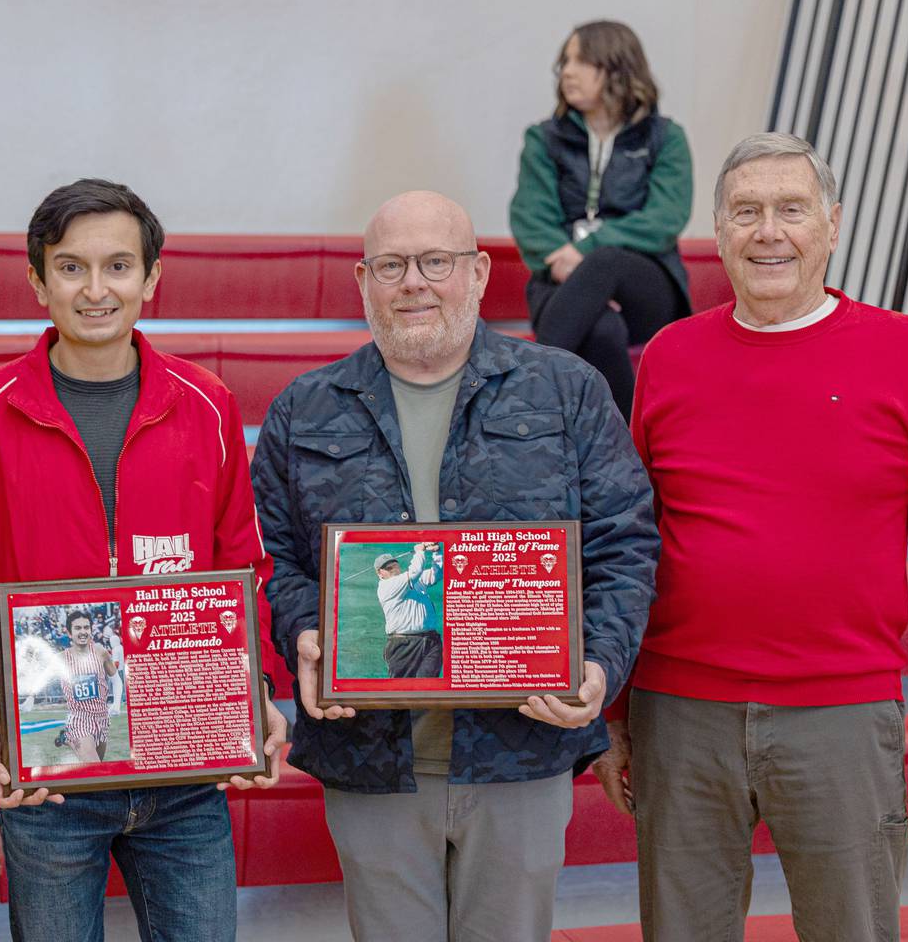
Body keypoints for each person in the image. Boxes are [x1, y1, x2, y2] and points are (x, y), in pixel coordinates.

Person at [594, 133, 908, 941]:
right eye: (746, 212)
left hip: (841, 717)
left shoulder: (906, 352)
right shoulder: (670, 357)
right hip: (682, 718)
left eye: (791, 210)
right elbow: (630, 542)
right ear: (719, 231)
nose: (768, 231)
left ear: (833, 226)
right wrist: (617, 711)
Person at [251, 190, 659, 941]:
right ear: (362, 281)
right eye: (391, 265)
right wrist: (307, 633)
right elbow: (274, 560)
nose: (414, 282)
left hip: (522, 750)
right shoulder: (304, 410)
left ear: (475, 274)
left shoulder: (565, 392)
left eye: (435, 262)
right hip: (369, 754)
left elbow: (624, 545)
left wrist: (598, 666)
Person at [0, 178, 288, 942]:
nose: (96, 290)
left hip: (186, 778)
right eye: (71, 267)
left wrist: (250, 692)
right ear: (36, 278)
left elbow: (243, 573)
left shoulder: (207, 403)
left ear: (151, 278)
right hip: (48, 779)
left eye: (119, 266)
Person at [509, 19, 692, 419]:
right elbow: (529, 217)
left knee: (606, 261)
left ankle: (520, 394)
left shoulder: (664, 137)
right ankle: (631, 451)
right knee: (603, 330)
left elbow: (665, 217)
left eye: (580, 61)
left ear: (614, 67)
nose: (566, 72)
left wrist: (587, 254)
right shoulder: (544, 139)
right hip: (556, 277)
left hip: (645, 286)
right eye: (565, 62)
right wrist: (575, 271)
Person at [57, 610, 117, 762]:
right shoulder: (61, 658)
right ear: (69, 633)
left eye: (86, 627)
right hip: (79, 719)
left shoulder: (100, 652)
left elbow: (114, 676)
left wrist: (116, 703)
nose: (83, 632)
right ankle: (70, 736)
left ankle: (66, 737)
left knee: (98, 762)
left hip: (102, 716)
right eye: (78, 628)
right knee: (95, 766)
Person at [375, 543, 442, 678]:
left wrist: (437, 553)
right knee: (402, 691)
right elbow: (415, 571)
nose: (392, 567)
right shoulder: (387, 586)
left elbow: (437, 574)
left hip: (431, 641)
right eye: (387, 567)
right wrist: (419, 551)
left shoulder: (412, 580)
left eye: (394, 564)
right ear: (380, 573)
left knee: (429, 688)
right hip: (403, 645)